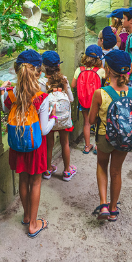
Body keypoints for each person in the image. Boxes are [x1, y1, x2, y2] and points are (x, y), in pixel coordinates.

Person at [2, 49, 56, 237]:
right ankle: (33, 224)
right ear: (39, 72)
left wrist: (4, 88)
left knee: (23, 179)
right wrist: (54, 117)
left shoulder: (8, 94)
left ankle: (26, 216)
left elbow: (5, 110)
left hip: (17, 144)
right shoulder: (42, 97)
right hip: (36, 146)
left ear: (17, 70)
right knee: (36, 182)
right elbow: (43, 130)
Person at [84, 50, 132, 221]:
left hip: (104, 137)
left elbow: (92, 120)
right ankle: (114, 208)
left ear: (108, 70)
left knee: (102, 165)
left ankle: (103, 205)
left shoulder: (100, 93)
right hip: (124, 139)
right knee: (116, 171)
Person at [40, 51, 77, 181]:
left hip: (49, 118)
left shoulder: (41, 83)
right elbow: (71, 99)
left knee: (49, 144)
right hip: (64, 118)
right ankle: (67, 171)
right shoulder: (64, 80)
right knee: (65, 142)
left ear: (43, 67)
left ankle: (47, 169)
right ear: (58, 66)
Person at [73, 45, 105, 154]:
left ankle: (87, 146)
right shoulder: (100, 71)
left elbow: (73, 84)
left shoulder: (79, 70)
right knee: (97, 123)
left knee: (86, 123)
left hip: (83, 101)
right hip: (96, 101)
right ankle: (97, 146)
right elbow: (106, 78)